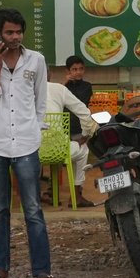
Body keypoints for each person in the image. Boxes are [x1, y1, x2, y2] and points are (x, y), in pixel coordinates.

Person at [0, 8, 54, 278]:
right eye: (9, 32)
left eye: (19, 32)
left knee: (33, 209)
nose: (15, 37)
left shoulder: (36, 60)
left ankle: (42, 270)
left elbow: (41, 100)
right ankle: (1, 267)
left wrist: (36, 129)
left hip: (26, 143)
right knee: (0, 210)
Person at [45, 67, 96, 208]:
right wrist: (85, 135)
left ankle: (31, 197)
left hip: (29, 152)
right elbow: (84, 113)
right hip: (58, 150)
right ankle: (77, 195)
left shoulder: (20, 90)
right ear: (49, 74)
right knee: (83, 149)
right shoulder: (59, 89)